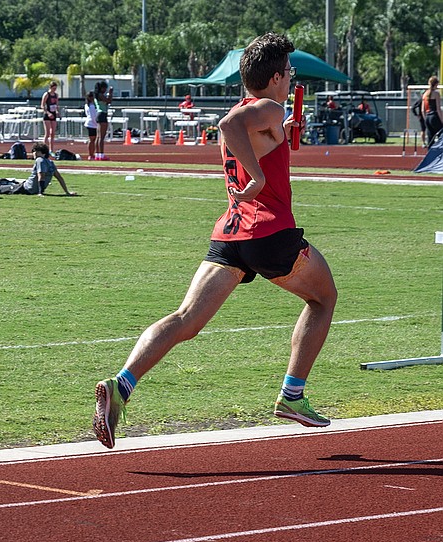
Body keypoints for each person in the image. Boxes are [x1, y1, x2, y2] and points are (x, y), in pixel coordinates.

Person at [92, 32, 338, 450]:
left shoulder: (253, 111)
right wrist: (258, 176)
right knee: (324, 297)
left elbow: (239, 129)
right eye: (289, 71)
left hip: (231, 234)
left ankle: (122, 384)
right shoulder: (268, 108)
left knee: (186, 319)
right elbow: (231, 127)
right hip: (269, 232)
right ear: (276, 77)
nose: (291, 77)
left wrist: (279, 134)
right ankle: (292, 394)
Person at [0, 143, 73, 196]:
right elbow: (59, 178)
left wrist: (40, 193)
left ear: (39, 152)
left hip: (26, 189)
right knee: (3, 181)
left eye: (34, 151)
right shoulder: (50, 163)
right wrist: (67, 192)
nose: (32, 154)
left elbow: (41, 176)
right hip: (25, 186)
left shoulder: (39, 160)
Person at [93, 80, 114, 161]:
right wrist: (110, 93)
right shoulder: (100, 95)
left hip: (99, 114)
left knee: (98, 137)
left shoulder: (97, 95)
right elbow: (109, 101)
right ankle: (101, 155)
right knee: (101, 137)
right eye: (104, 88)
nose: (105, 90)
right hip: (102, 114)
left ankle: (97, 154)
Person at [41, 80, 60, 155]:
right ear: (50, 87)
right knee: (47, 133)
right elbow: (42, 105)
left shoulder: (56, 95)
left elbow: (56, 105)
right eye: (53, 88)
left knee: (53, 133)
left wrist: (57, 112)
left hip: (53, 114)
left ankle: (51, 150)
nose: (54, 90)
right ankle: (43, 149)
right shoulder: (46, 94)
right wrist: (48, 113)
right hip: (47, 115)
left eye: (55, 88)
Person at [422, 76, 441, 145]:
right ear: (436, 84)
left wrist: (426, 119)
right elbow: (438, 109)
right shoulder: (436, 94)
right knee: (441, 134)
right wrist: (442, 120)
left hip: (427, 117)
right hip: (434, 116)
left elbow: (422, 110)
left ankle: (430, 150)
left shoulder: (425, 94)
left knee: (430, 138)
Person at [83, 91, 98, 161]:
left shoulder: (87, 105)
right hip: (92, 124)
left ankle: (92, 154)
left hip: (91, 123)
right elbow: (93, 116)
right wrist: (97, 123)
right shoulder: (91, 106)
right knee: (92, 140)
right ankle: (91, 155)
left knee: (93, 140)